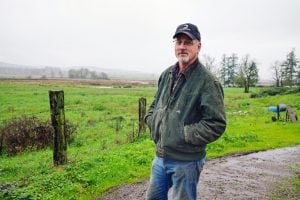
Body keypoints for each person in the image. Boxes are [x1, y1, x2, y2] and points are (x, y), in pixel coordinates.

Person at [145, 23, 226, 200]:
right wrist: (151, 119)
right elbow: (156, 103)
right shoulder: (166, 74)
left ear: (198, 46)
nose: (182, 47)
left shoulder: (208, 82)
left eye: (188, 42)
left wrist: (183, 134)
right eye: (178, 42)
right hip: (160, 157)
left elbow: (216, 123)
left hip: (187, 162)